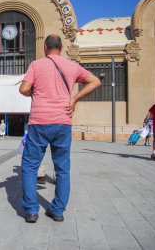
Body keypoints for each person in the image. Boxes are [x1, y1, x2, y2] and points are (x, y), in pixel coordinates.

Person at [19, 34, 101, 223]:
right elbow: (96, 81)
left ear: (45, 47)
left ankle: (32, 211)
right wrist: (74, 99)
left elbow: (23, 89)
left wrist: (36, 92)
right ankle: (57, 211)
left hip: (39, 122)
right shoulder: (72, 66)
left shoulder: (36, 65)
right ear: (61, 48)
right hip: (63, 122)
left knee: (30, 166)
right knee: (62, 168)